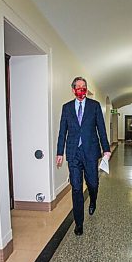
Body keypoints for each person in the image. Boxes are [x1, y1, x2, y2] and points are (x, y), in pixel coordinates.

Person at [56, 77, 111, 236]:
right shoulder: (66, 108)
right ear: (73, 89)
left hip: (90, 151)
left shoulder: (94, 106)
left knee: (93, 183)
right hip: (73, 153)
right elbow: (62, 132)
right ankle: (79, 223)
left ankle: (93, 199)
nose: (82, 89)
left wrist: (106, 149)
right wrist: (60, 152)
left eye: (84, 87)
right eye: (78, 87)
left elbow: (101, 128)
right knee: (76, 188)